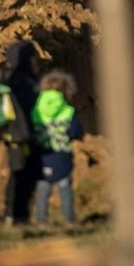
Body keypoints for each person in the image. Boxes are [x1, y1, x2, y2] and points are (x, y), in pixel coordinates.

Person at [31, 69, 83, 226]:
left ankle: (41, 220)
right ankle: (69, 219)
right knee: (64, 187)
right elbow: (75, 132)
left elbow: (31, 130)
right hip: (62, 154)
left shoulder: (36, 109)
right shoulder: (68, 111)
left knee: (42, 187)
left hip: (42, 154)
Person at [1, 40, 42, 226]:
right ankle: (12, 213)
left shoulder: (31, 79)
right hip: (17, 135)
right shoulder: (15, 80)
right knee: (18, 172)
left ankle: (22, 214)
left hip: (31, 134)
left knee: (29, 174)